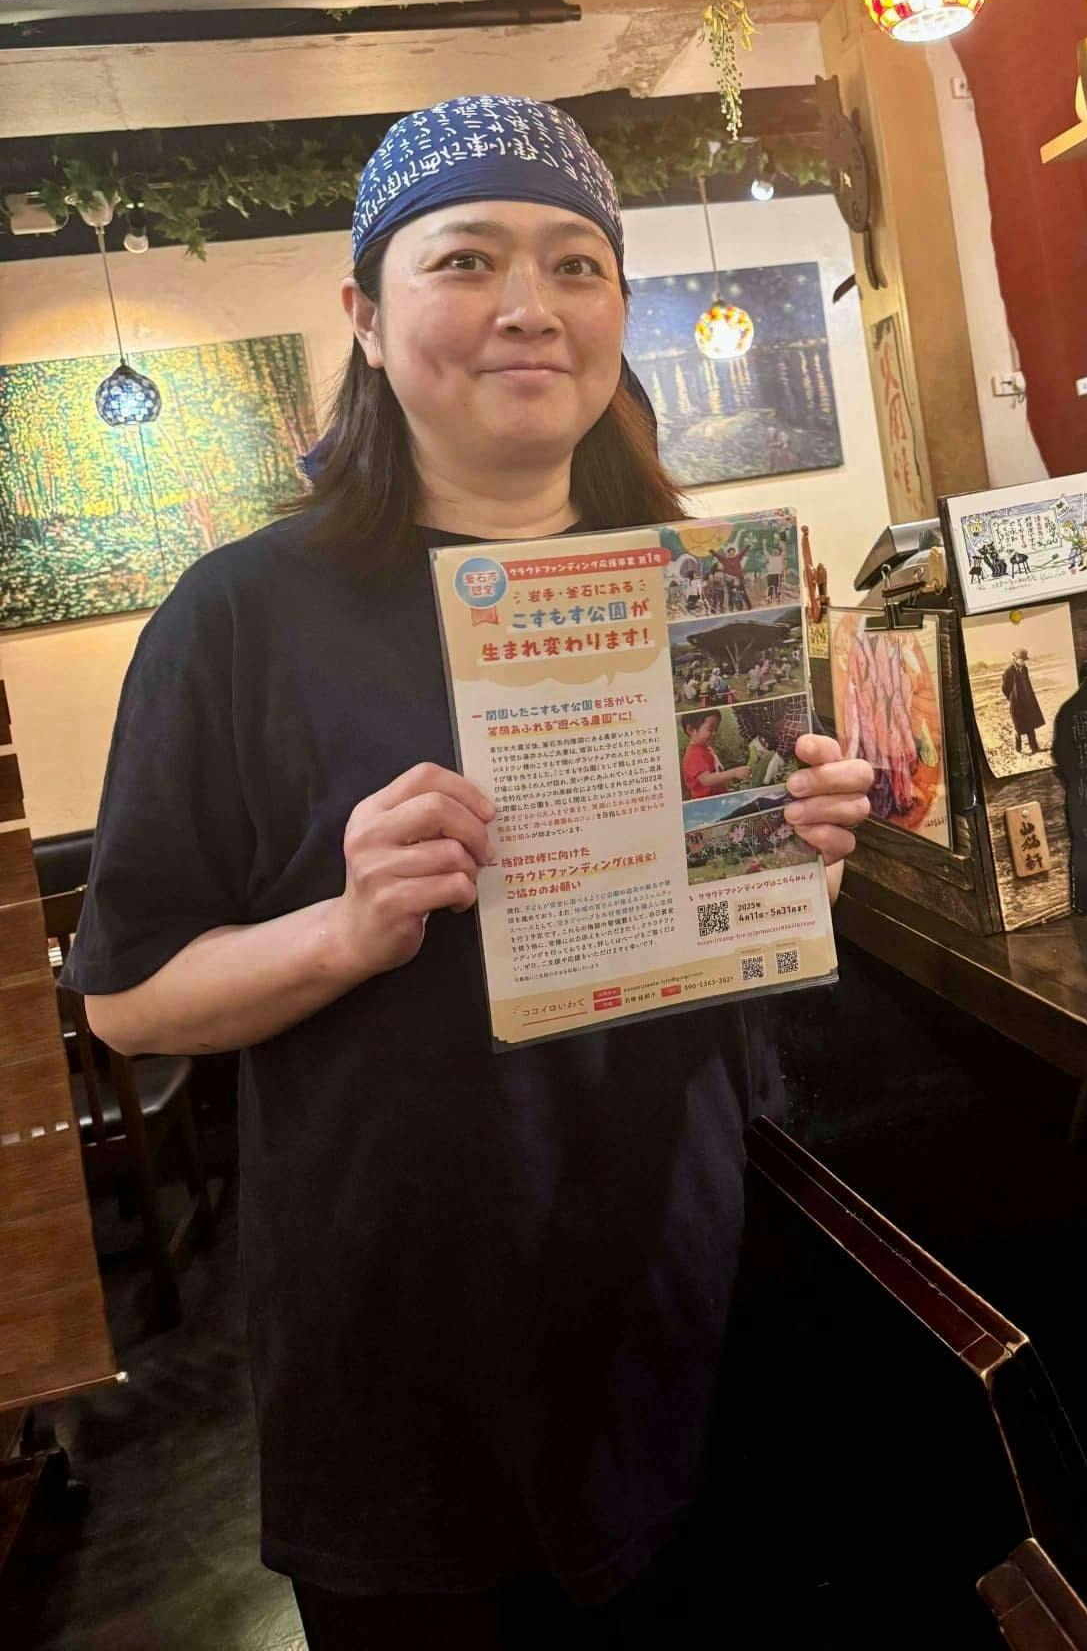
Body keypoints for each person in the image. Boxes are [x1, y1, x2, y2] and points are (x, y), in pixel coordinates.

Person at [63, 94, 874, 1651]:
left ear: (618, 313)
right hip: (403, 1358)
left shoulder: (702, 589)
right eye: (466, 259)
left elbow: (723, 937)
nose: (529, 304)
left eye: (577, 264)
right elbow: (128, 1003)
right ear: (367, 317)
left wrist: (795, 861)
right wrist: (346, 928)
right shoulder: (239, 616)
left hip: (685, 1302)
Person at [679, 710, 749, 800]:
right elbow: (706, 780)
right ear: (691, 730)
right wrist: (734, 773)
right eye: (710, 729)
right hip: (707, 802)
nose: (714, 733)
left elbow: (716, 771)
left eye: (716, 729)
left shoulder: (705, 748)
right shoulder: (693, 755)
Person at [1001, 647, 1045, 756]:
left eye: (1024, 660)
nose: (1023, 662)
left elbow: (1027, 685)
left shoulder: (1025, 669)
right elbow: (1005, 688)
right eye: (1021, 660)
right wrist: (1012, 699)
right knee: (1018, 727)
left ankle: (1034, 748)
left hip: (1027, 702)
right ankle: (1018, 749)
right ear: (1015, 659)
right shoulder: (1008, 671)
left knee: (1030, 724)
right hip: (1016, 704)